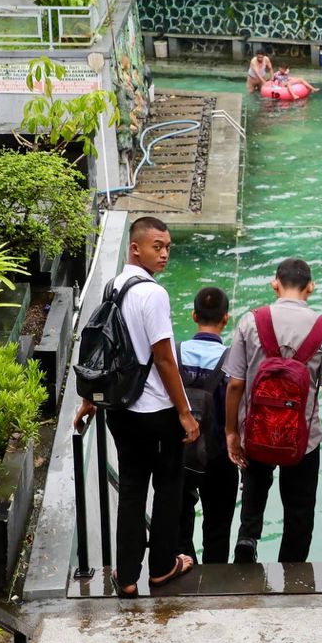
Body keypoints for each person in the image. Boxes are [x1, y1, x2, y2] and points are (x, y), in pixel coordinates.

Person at [74, 217, 200, 597]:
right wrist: (184, 412)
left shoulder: (114, 286)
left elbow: (100, 347)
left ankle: (126, 576)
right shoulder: (154, 294)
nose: (164, 254)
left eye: (167, 248)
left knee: (131, 490)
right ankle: (162, 567)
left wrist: (89, 399)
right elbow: (164, 358)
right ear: (135, 247)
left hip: (120, 410)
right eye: (157, 246)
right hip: (156, 413)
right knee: (167, 488)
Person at [223, 257, 322, 564]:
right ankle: (291, 569)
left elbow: (236, 384)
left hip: (257, 430)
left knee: (254, 492)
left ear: (275, 283)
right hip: (303, 439)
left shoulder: (251, 321)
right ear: (311, 287)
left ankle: (247, 538)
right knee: (299, 509)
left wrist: (232, 431)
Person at [177, 286, 237, 565]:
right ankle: (215, 577)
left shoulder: (175, 355)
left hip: (181, 452)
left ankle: (184, 566)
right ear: (226, 318)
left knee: (180, 519)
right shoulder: (232, 359)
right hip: (220, 456)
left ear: (193, 315)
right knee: (218, 526)